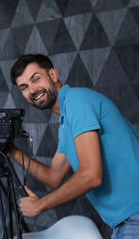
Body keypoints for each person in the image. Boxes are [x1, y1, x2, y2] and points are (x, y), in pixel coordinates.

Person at [9, 54, 139, 238]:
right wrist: (10, 150)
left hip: (134, 217)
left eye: (36, 79)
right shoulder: (66, 123)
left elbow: (91, 175)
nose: (32, 90)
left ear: (53, 75)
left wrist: (39, 205)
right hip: (126, 220)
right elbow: (53, 176)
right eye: (24, 87)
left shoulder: (76, 100)